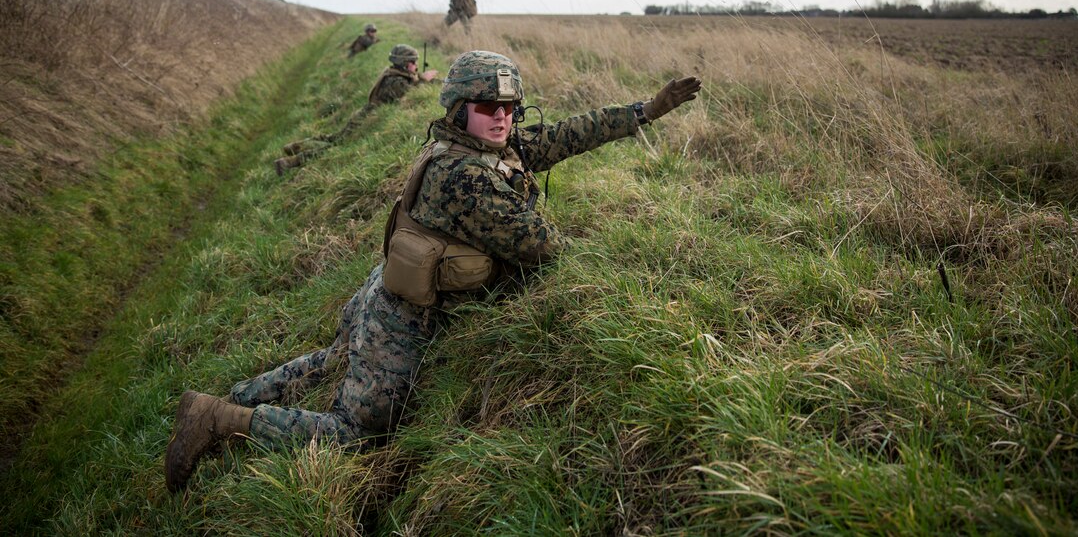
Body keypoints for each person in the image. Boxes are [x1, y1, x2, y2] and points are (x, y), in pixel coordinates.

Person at [164, 50, 701, 493]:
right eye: (487, 105)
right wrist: (619, 260)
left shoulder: (475, 145)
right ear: (458, 108)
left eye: (511, 105)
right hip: (403, 321)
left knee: (334, 359)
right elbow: (543, 249)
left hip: (380, 294)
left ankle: (237, 395)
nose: (503, 116)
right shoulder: (465, 178)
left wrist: (644, 111)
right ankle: (221, 419)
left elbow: (562, 136)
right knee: (358, 435)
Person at [275, 44, 438, 174]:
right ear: (406, 63)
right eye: (414, 63)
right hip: (364, 120)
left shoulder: (395, 74)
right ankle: (288, 162)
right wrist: (424, 79)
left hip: (363, 115)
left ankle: (294, 147)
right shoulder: (394, 81)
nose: (416, 66)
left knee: (333, 139)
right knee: (334, 146)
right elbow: (411, 92)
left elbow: (412, 84)